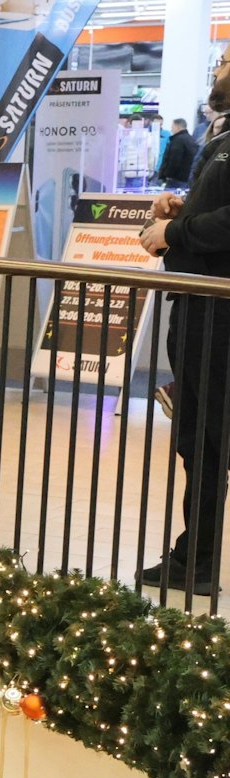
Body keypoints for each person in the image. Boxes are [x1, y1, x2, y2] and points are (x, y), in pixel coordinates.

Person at [138, 74, 230, 595]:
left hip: (220, 312)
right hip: (198, 304)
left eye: (225, 61)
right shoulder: (219, 136)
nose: (218, 70)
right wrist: (182, 209)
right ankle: (193, 554)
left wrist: (175, 231)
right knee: (197, 439)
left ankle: (198, 558)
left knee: (211, 437)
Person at [161, 117, 199, 188]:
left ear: (177, 127)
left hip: (176, 179)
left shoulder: (178, 140)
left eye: (172, 127)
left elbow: (174, 159)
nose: (171, 130)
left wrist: (167, 174)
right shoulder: (191, 139)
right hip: (187, 177)